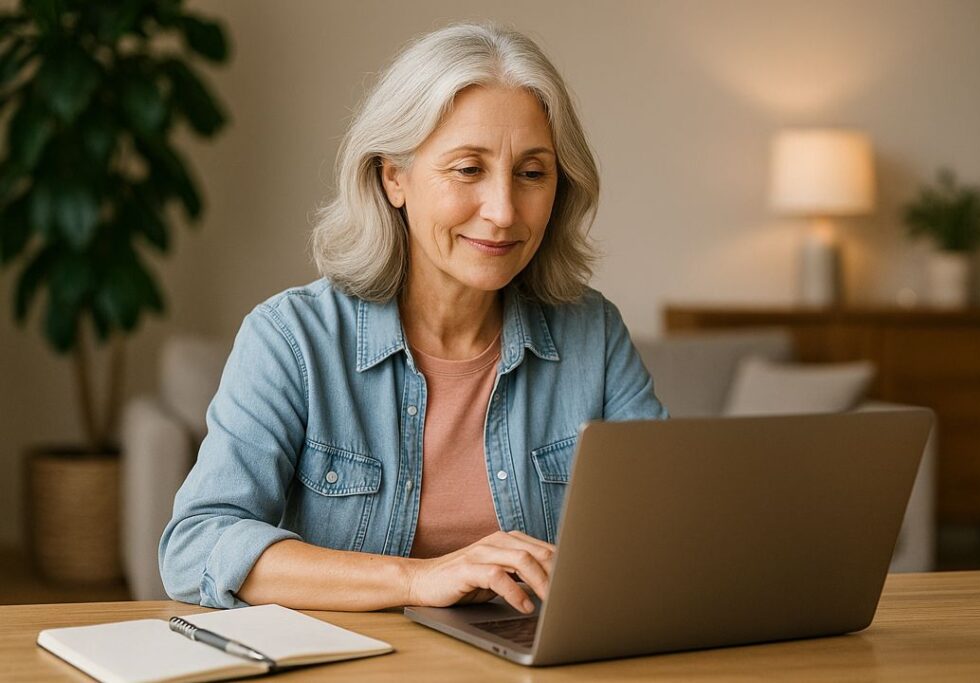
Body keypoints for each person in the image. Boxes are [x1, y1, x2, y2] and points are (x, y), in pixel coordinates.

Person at [159, 22, 667, 614]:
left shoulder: (594, 333)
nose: (503, 212)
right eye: (468, 169)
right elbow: (195, 547)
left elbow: (664, 529)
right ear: (393, 177)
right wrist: (416, 580)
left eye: (531, 174)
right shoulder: (291, 339)